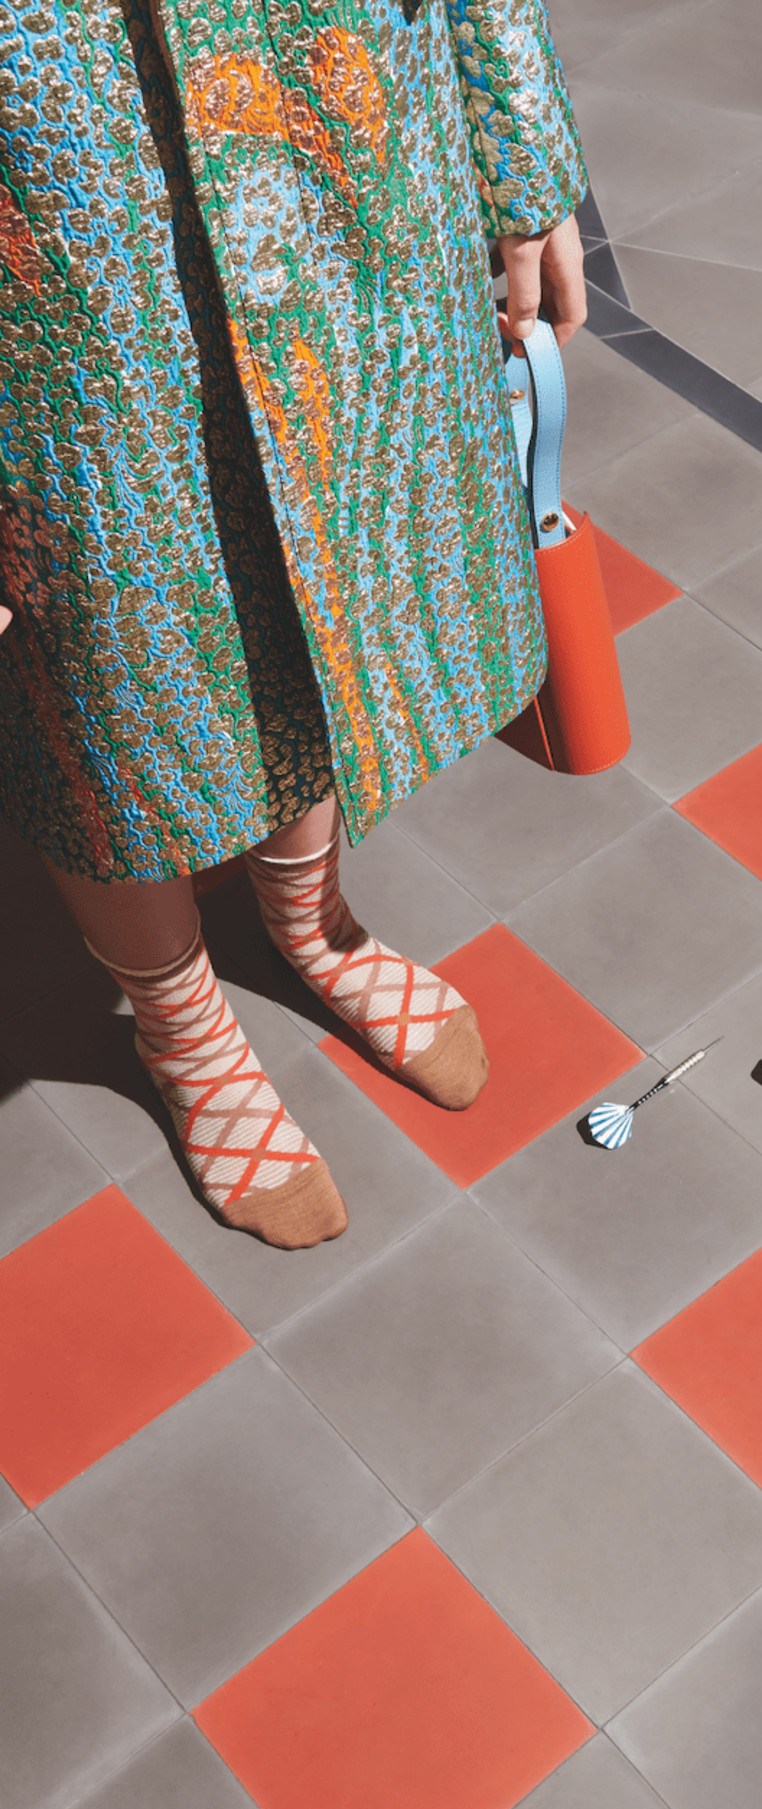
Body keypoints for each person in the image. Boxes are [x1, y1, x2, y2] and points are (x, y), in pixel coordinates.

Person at [0, 1, 587, 1248]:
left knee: (324, 565)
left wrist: (518, 137)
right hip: (46, 192)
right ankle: (176, 1017)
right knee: (109, 660)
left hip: (332, 129)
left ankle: (308, 917)